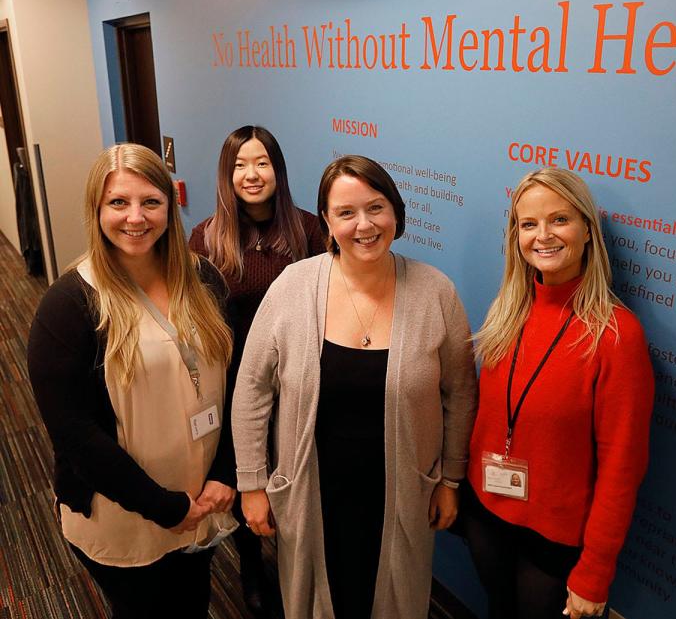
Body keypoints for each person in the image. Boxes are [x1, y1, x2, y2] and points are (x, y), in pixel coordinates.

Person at [232, 154, 477, 619]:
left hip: (402, 492)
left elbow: (461, 393)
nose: (364, 225)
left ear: (396, 213)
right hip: (311, 490)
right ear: (326, 220)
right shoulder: (293, 286)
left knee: (394, 598)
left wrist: (450, 479)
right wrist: (251, 483)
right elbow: (252, 388)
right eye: (346, 213)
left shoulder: (435, 292)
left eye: (376, 207)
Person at [27, 144, 235, 619]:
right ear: (96, 210)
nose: (135, 217)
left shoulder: (204, 280)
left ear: (170, 206)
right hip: (123, 512)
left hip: (202, 498)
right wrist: (163, 507)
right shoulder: (68, 306)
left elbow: (235, 381)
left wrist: (225, 471)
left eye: (151, 202)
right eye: (118, 203)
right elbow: (74, 434)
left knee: (193, 605)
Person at [464, 167, 654, 619]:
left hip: (553, 538)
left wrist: (594, 573)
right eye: (528, 224)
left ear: (588, 229)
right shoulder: (507, 310)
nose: (543, 236)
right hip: (486, 514)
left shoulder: (615, 336)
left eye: (559, 220)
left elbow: (621, 468)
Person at [189, 124, 324, 616]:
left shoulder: (308, 229)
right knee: (248, 475)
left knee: (295, 470)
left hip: (297, 380)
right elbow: (196, 319)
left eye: (262, 163)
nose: (252, 174)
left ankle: (300, 563)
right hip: (234, 382)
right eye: (240, 165)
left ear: (278, 170)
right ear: (227, 174)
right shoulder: (206, 237)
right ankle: (251, 568)